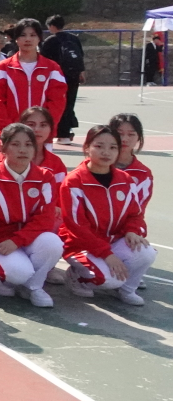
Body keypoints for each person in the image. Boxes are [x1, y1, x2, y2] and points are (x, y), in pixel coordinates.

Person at [0, 122, 63, 307]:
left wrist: (17, 240)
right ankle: (3, 278)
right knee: (18, 274)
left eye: (28, 144)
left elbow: (45, 218)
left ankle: (33, 287)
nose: (23, 150)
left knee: (53, 243)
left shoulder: (45, 177)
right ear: (3, 148)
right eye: (15, 144)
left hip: (26, 238)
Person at [60, 125, 157, 306]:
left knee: (146, 253)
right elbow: (77, 227)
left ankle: (127, 289)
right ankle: (76, 276)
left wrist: (132, 231)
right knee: (109, 280)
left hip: (112, 241)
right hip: (80, 246)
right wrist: (107, 255)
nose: (106, 152)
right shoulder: (74, 181)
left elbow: (135, 214)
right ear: (87, 147)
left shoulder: (125, 180)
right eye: (99, 146)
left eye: (113, 147)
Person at [0, 19, 67, 137]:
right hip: (12, 135)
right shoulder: (3, 67)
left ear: (39, 38)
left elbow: (58, 102)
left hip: (41, 135)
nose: (28, 39)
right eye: (23, 35)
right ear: (16, 38)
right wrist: (8, 129)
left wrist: (45, 127)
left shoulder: (52, 68)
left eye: (32, 35)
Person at [39, 15, 85, 143]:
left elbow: (43, 60)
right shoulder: (74, 38)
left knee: (57, 104)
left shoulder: (51, 41)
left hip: (57, 77)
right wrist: (81, 72)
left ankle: (61, 133)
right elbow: (80, 56)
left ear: (51, 26)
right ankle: (67, 132)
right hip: (73, 75)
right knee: (70, 103)